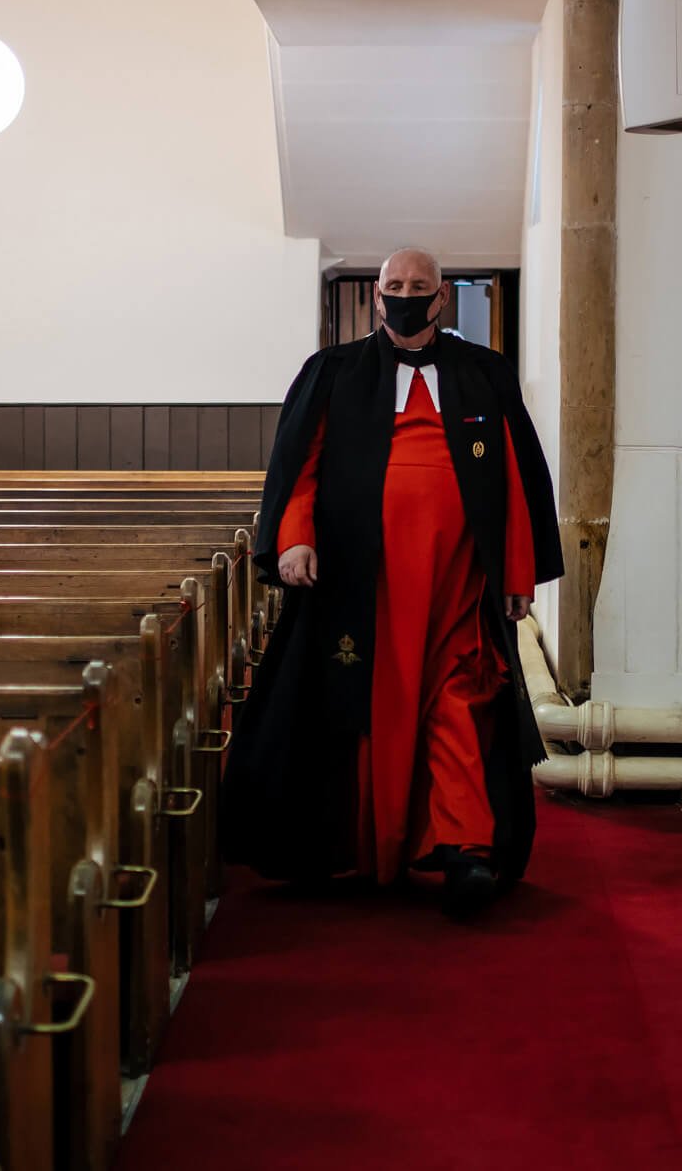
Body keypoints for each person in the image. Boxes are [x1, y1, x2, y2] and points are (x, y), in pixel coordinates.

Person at [222, 248, 564, 919]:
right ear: (378, 299)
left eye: (420, 287)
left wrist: (517, 574)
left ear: (441, 299)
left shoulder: (484, 374)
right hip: (360, 583)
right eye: (394, 286)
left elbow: (515, 482)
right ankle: (357, 848)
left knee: (460, 699)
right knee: (359, 710)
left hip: (457, 581)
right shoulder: (333, 372)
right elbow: (302, 464)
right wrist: (293, 536)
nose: (406, 296)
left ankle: (465, 849)